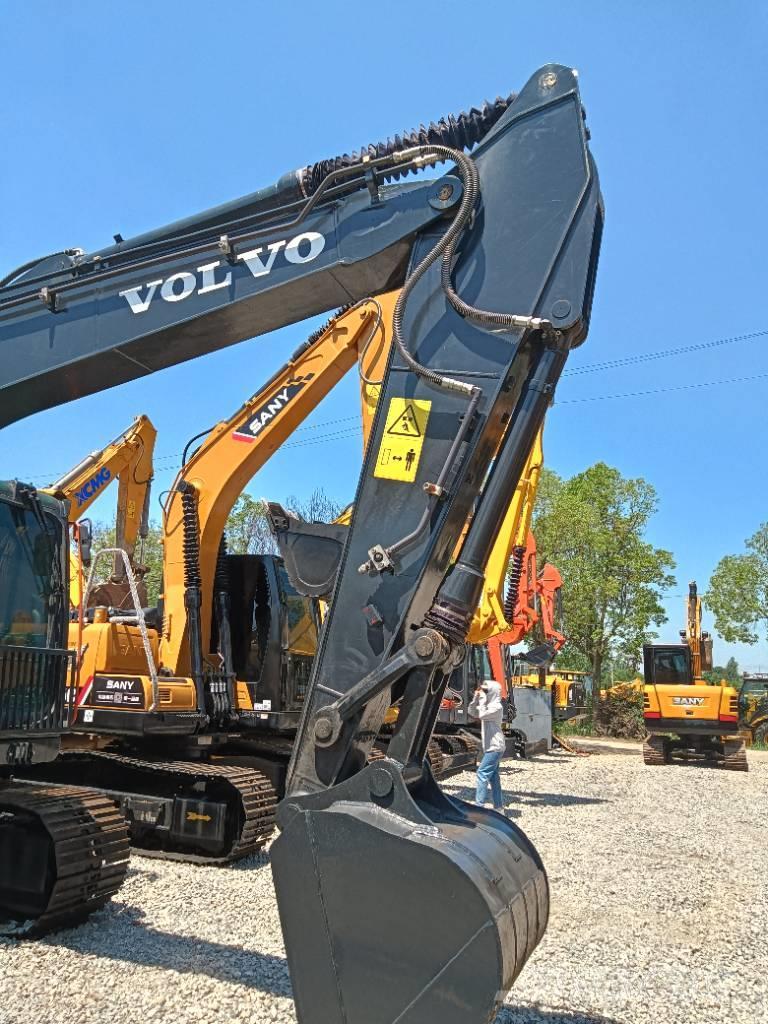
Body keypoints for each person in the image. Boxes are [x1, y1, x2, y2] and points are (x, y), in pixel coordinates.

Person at [468, 678, 506, 810]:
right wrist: (475, 699)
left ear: (493, 692)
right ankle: (499, 808)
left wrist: (482, 699)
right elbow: (472, 712)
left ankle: (479, 808)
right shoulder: (489, 705)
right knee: (494, 778)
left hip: (495, 747)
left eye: (486, 690)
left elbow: (482, 715)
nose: (483, 692)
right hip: (491, 747)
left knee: (481, 773)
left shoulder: (497, 707)